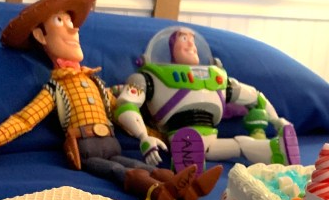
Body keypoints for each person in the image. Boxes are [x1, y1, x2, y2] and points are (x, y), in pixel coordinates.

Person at [0, 0, 221, 200]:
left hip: (111, 141)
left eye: (72, 22)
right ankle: (157, 192)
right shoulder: (55, 89)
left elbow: (121, 111)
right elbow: (25, 118)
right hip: (84, 148)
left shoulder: (96, 81)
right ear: (41, 36)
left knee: (135, 162)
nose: (73, 29)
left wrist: (158, 135)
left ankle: (184, 187)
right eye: (60, 22)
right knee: (121, 172)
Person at [110, 25, 300, 173]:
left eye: (192, 40)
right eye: (184, 39)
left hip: (210, 134)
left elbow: (256, 97)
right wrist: (144, 137)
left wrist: (277, 121)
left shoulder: (217, 77)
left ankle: (276, 151)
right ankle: (186, 162)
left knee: (240, 144)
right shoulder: (149, 78)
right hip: (178, 131)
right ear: (169, 48)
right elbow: (126, 105)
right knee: (191, 143)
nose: (191, 44)